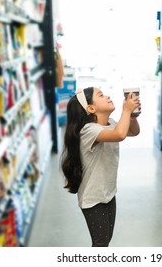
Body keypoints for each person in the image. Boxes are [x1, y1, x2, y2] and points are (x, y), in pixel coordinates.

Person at [60, 87, 140, 247]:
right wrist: (126, 109)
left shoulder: (111, 124)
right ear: (91, 108)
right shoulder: (88, 130)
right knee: (101, 243)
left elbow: (133, 131)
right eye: (101, 95)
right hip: (93, 198)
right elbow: (120, 135)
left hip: (108, 192)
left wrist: (132, 116)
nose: (107, 96)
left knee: (105, 240)